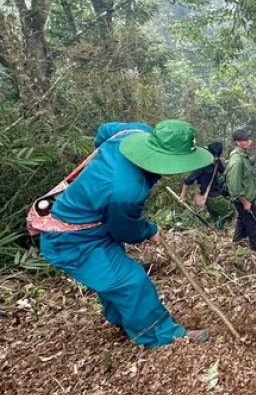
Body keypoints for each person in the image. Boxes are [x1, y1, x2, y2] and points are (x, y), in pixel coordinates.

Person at [37, 120, 213, 348]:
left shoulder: (133, 132)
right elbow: (124, 229)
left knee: (114, 275)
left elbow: (103, 132)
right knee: (131, 281)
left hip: (95, 222)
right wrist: (150, 230)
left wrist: (104, 164)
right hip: (73, 239)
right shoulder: (127, 192)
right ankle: (160, 335)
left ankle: (125, 319)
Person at [227, 129, 256, 252]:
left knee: (243, 222)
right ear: (238, 143)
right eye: (246, 140)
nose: (250, 142)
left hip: (247, 197)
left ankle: (236, 244)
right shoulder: (237, 161)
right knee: (254, 225)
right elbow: (235, 187)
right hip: (245, 199)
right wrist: (245, 202)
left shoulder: (242, 156)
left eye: (250, 139)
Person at [180, 141, 232, 229]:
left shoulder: (217, 162)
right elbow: (187, 182)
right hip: (211, 197)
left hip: (217, 193)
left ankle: (218, 232)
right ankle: (219, 227)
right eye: (214, 156)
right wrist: (182, 197)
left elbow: (224, 172)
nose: (215, 158)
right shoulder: (202, 165)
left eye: (217, 156)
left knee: (215, 217)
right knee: (231, 212)